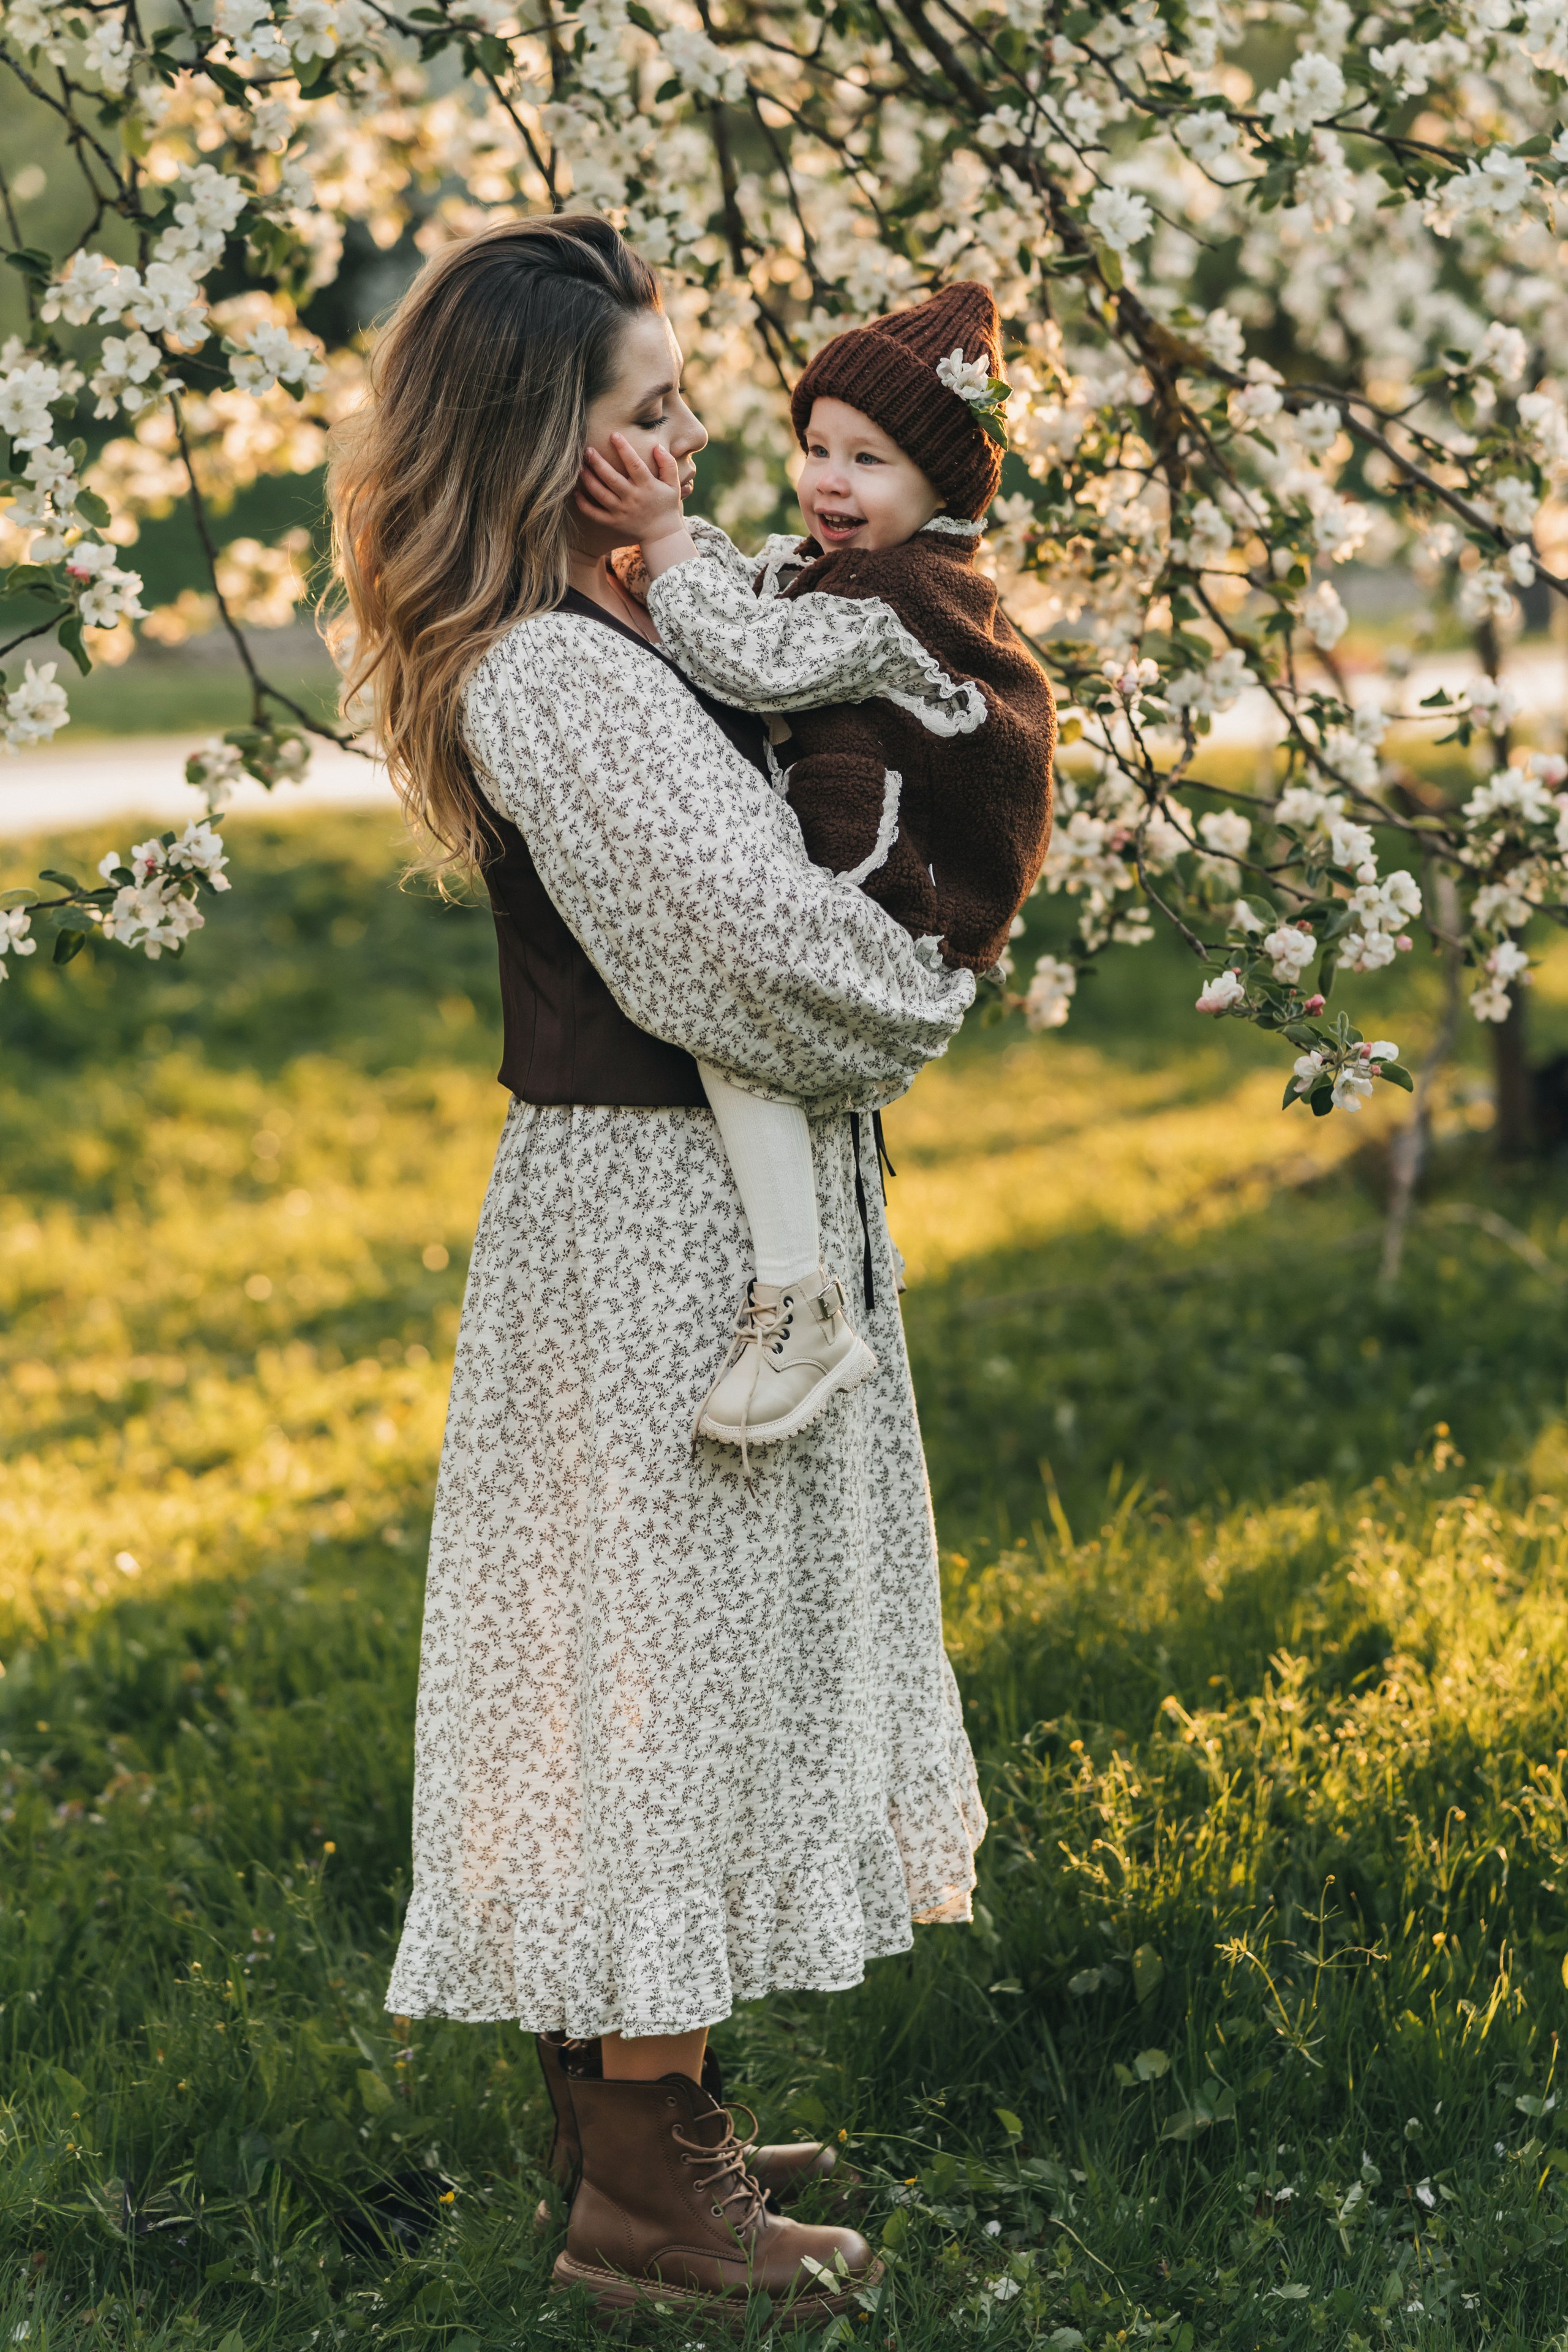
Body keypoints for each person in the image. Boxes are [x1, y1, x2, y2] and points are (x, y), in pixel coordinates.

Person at [327, 214, 987, 2331]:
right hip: (655, 1227)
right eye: (648, 410)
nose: (689, 441)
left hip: (689, 1200)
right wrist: (921, 981)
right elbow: (755, 951)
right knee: (655, 1682)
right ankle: (637, 2190)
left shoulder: (621, 625)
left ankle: (651, 2109)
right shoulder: (553, 674)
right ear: (546, 442)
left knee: (678, 1666)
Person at [577, 282, 1056, 1465]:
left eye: (869, 460)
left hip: (899, 920)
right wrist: (670, 556)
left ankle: (799, 1298)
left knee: (730, 1009)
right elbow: (763, 592)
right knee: (729, 1004)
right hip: (867, 901)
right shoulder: (858, 568)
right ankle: (802, 1289)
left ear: (945, 486)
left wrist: (666, 543)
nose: (830, 482)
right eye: (818, 449)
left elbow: (755, 656)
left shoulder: (911, 597)